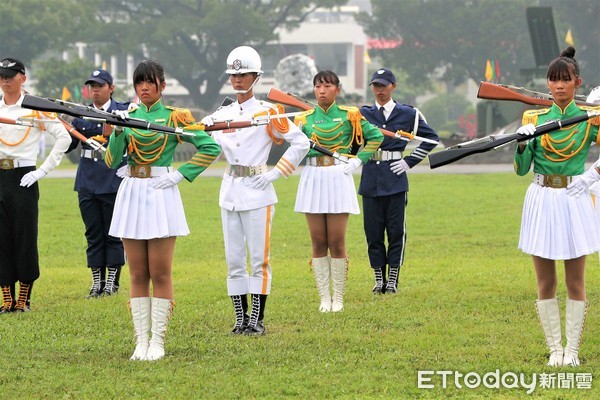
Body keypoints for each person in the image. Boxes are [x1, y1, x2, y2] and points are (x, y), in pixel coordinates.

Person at [104, 60, 220, 360]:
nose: (144, 87)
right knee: (138, 272)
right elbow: (111, 160)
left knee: (160, 271)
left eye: (150, 82)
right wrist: (117, 130)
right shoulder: (128, 116)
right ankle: (140, 341)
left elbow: (209, 147)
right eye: (139, 82)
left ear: (162, 86)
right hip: (132, 191)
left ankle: (158, 341)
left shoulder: (175, 117)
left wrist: (179, 175)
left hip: (161, 192)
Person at [201, 46, 309, 335]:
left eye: (243, 74)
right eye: (233, 74)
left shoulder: (268, 111)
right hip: (230, 190)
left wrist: (276, 173)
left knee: (259, 259)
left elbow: (301, 143)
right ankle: (240, 318)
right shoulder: (222, 114)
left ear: (256, 76)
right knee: (234, 258)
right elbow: (194, 133)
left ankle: (257, 320)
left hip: (259, 190)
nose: (237, 79)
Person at [514, 47, 600, 367]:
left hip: (575, 197)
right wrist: (523, 142)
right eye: (553, 80)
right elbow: (522, 169)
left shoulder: (590, 117)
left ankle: (573, 350)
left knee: (576, 281)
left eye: (565, 80)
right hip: (542, 198)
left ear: (577, 82)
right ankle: (554, 349)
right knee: (545, 281)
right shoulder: (533, 119)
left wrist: (592, 175)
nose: (559, 86)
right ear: (547, 84)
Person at [294, 70, 384, 312]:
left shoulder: (350, 116)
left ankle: (339, 298)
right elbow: (290, 146)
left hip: (338, 176)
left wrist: (358, 160)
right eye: (317, 86)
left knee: (336, 240)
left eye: (327, 86)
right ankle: (324, 297)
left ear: (337, 90)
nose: (321, 91)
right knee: (317, 240)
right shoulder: (304, 119)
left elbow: (375, 137)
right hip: (313, 176)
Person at [359, 68, 439, 294]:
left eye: (384, 85)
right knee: (373, 232)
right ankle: (378, 278)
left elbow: (431, 139)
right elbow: (352, 140)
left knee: (395, 231)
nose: (379, 90)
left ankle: (393, 278)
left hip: (395, 177)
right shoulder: (362, 114)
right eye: (376, 85)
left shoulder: (408, 114)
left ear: (393, 86)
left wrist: (409, 161)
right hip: (371, 177)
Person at [0, 57, 71, 313]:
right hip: (0, 177)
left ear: (23, 77)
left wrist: (42, 170)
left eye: (10, 74)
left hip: (24, 176)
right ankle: (6, 298)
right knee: (1, 238)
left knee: (25, 236)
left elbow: (63, 137)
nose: (5, 80)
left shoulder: (35, 108)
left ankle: (24, 298)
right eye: (1, 75)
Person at [66, 69, 129, 298]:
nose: (95, 90)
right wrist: (57, 128)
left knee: (113, 233)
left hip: (113, 177)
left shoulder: (122, 111)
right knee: (92, 232)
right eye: (92, 86)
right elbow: (68, 146)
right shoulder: (80, 115)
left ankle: (112, 280)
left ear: (111, 88)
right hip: (87, 179)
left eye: (100, 86)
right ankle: (96, 281)